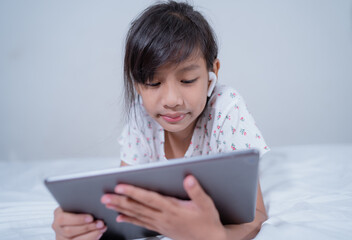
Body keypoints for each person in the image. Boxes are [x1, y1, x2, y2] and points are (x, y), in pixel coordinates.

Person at [52, 1, 270, 239]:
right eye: (153, 83)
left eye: (187, 80)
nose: (172, 100)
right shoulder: (140, 115)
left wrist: (215, 236)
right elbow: (124, 206)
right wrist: (83, 228)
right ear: (137, 84)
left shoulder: (226, 109)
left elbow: (256, 215)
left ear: (212, 75)